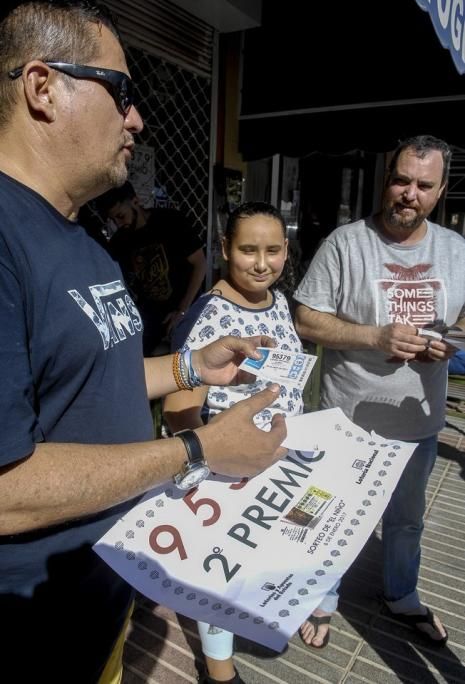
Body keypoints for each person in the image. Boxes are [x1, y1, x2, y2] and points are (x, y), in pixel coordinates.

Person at [0, 0, 287, 682]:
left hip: (102, 595)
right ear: (42, 87)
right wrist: (195, 448)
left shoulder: (84, 235)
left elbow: (88, 379)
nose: (137, 118)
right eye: (121, 91)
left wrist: (190, 368)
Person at [294, 135, 465, 648]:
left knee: (407, 521)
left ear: (440, 192)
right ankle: (322, 596)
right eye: (401, 180)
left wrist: (452, 341)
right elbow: (306, 318)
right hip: (348, 419)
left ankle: (401, 595)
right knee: (330, 509)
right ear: (385, 179)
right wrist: (375, 335)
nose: (409, 193)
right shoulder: (346, 243)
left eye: (423, 185)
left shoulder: (456, 250)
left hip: (419, 423)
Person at [164, 201, 333, 683]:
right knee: (220, 570)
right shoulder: (208, 316)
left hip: (284, 462)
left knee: (277, 551)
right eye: (248, 250)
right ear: (224, 249)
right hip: (228, 471)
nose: (262, 263)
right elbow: (180, 409)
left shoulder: (279, 301)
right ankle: (219, 669)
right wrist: (206, 468)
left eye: (274, 250)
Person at [96, 180, 207, 354]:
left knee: (185, 362)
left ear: (135, 201)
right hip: (151, 313)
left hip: (186, 306)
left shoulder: (170, 221)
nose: (118, 224)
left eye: (121, 216)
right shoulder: (120, 240)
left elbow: (200, 264)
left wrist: (182, 310)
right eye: (112, 220)